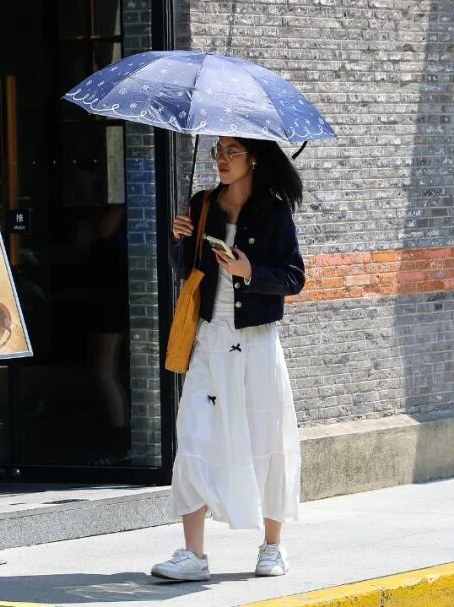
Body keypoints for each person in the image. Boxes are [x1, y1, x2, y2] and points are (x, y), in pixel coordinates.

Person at [151, 136, 305, 582]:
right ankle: (193, 555)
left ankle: (272, 546)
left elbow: (294, 277)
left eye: (231, 152)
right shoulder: (203, 205)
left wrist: (249, 272)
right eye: (217, 150)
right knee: (193, 436)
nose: (221, 159)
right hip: (209, 340)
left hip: (256, 342)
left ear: (253, 158)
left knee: (267, 439)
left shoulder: (273, 212)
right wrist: (180, 241)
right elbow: (187, 271)